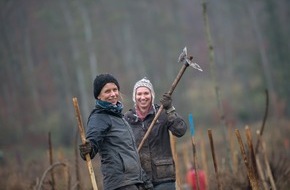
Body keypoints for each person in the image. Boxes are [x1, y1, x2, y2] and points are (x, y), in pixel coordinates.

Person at [79, 74, 153, 190]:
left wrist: (144, 180)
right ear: (98, 95)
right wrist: (88, 148)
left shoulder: (119, 117)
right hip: (120, 184)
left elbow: (129, 152)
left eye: (115, 89)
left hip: (133, 181)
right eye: (107, 91)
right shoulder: (99, 117)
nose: (113, 94)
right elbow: (91, 147)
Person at [124, 77, 187, 190]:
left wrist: (170, 109)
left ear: (152, 95)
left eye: (146, 93)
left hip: (164, 178)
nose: (143, 97)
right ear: (134, 97)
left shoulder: (162, 114)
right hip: (139, 180)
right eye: (139, 94)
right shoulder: (127, 119)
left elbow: (180, 130)